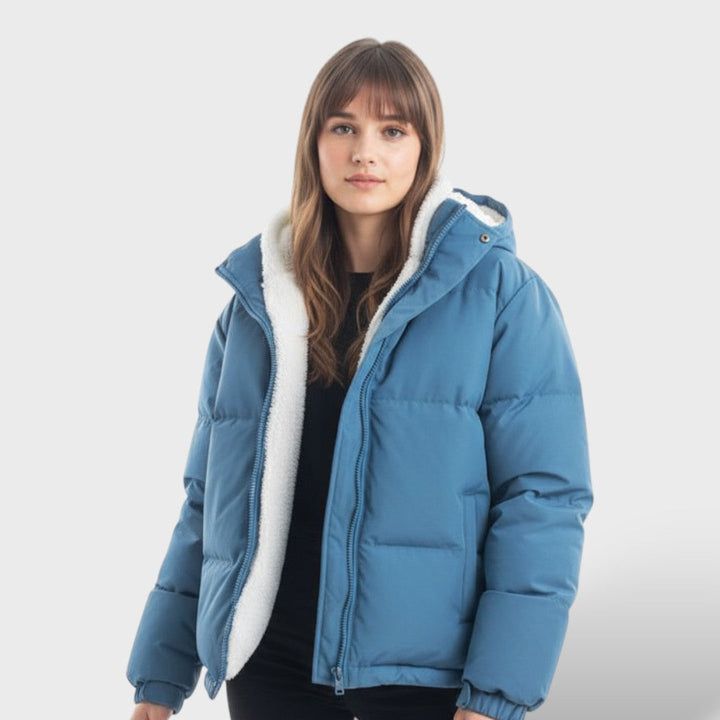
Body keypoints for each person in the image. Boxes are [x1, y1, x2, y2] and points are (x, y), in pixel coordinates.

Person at [126, 38, 593, 720]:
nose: (364, 153)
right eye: (343, 127)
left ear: (425, 149)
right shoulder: (257, 306)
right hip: (270, 670)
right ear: (313, 144)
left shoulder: (500, 296)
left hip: (423, 679)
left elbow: (542, 499)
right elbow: (210, 503)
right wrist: (160, 672)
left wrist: (497, 692)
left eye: (392, 130)